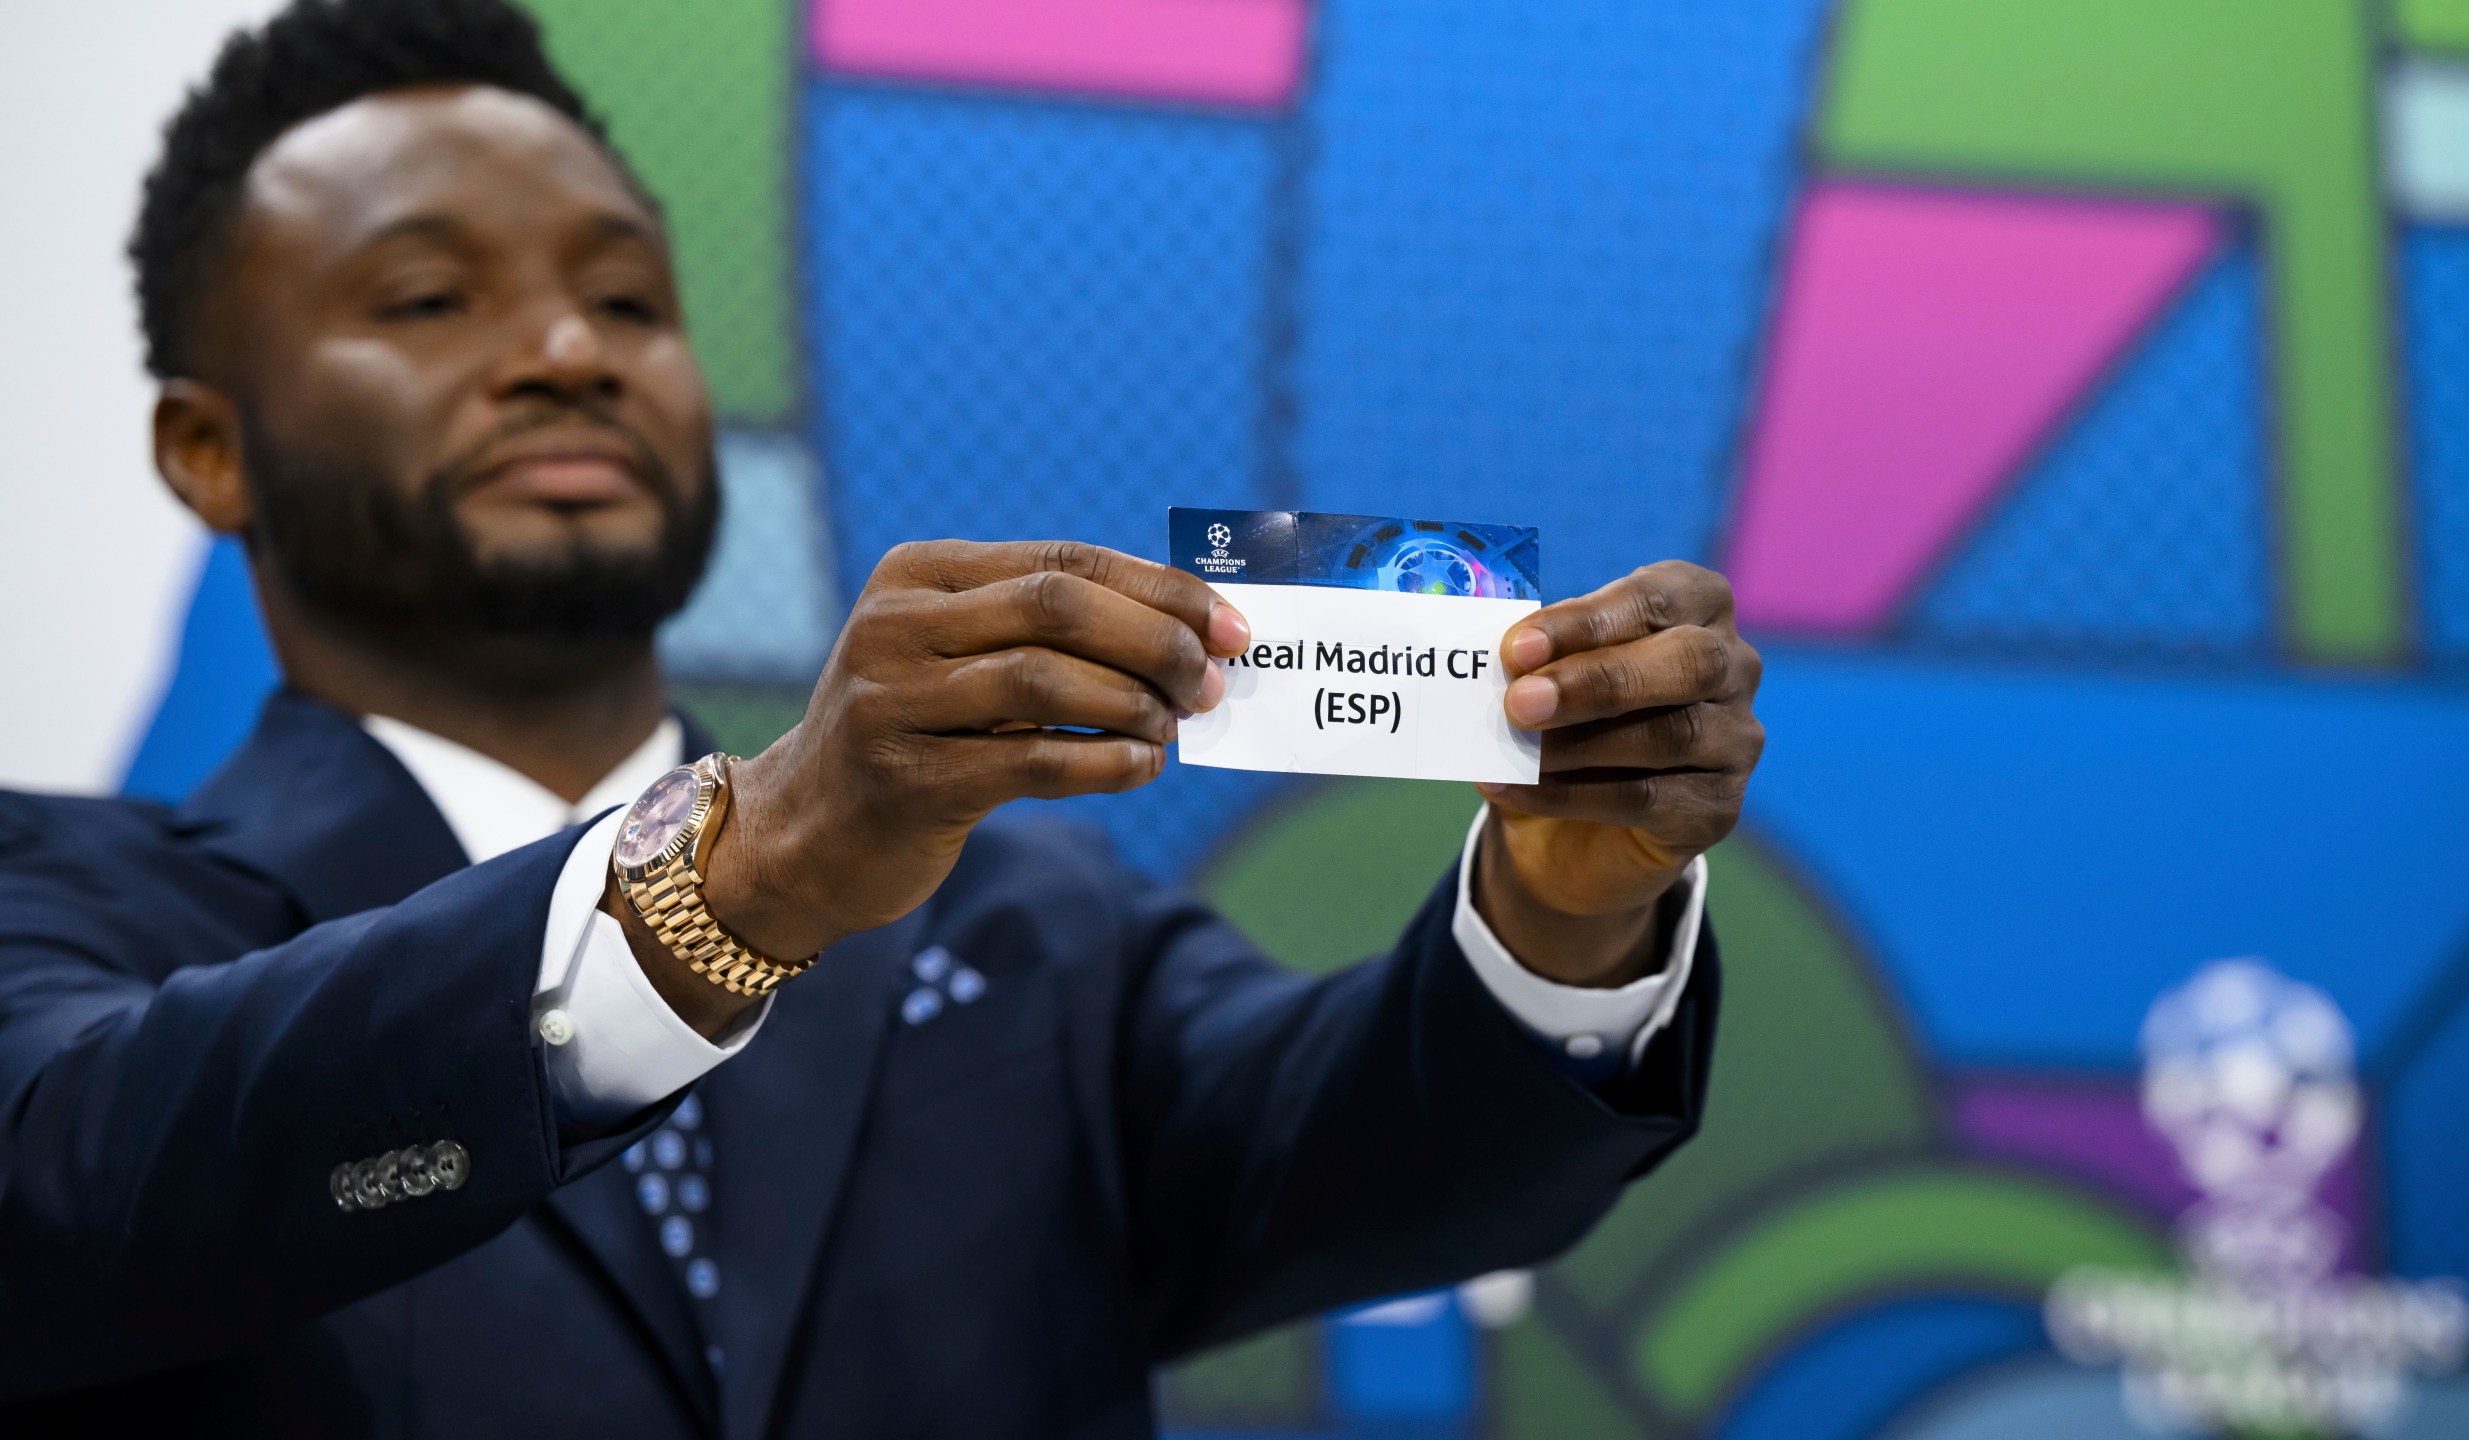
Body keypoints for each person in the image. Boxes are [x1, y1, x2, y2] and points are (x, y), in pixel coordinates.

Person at [0, 0, 1765, 1434]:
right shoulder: (66, 911)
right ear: (207, 448)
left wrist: (1571, 910)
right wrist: (734, 875)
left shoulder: (1034, 930)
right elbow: (61, 1199)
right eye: (429, 298)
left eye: (627, 298)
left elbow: (1406, 1170)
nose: (568, 349)